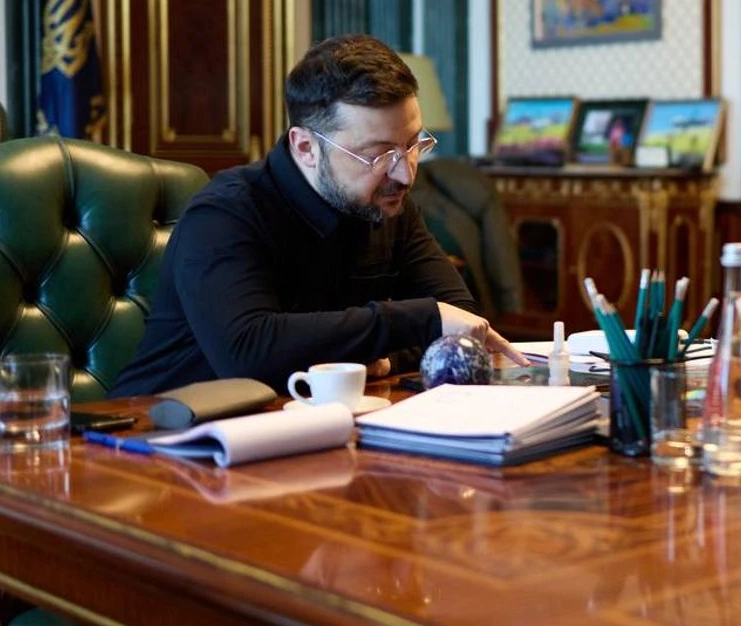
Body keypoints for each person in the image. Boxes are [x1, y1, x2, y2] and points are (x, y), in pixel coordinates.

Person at [114, 33, 525, 397]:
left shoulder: (388, 204)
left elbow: (464, 321)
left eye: (414, 144)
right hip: (155, 436)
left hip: (300, 427)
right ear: (306, 147)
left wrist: (379, 357)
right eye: (379, 154)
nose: (405, 173)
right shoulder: (224, 214)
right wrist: (414, 321)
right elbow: (248, 354)